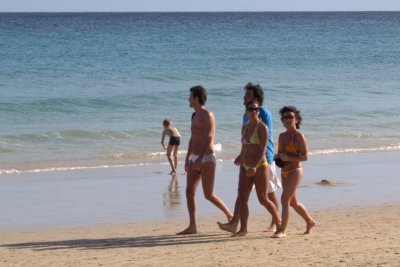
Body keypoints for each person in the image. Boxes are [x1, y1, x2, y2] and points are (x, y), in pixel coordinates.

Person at [218, 82, 281, 234]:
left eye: (248, 95)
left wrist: (260, 161)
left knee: (267, 195)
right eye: (250, 108)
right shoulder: (245, 119)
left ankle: (277, 222)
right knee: (243, 195)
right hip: (247, 162)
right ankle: (238, 226)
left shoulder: (264, 114)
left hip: (264, 160)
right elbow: (246, 141)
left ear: (257, 102)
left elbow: (263, 141)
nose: (244, 97)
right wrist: (242, 154)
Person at [177, 85, 233, 235]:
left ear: (196, 98)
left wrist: (200, 159)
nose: (188, 99)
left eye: (190, 97)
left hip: (207, 157)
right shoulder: (194, 116)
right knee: (189, 191)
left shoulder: (208, 115)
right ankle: (192, 226)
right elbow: (192, 138)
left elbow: (209, 138)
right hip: (195, 157)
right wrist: (188, 157)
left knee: (208, 194)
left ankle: (230, 216)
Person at [273, 106, 316, 238]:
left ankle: (282, 230)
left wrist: (289, 157)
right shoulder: (281, 136)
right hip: (284, 171)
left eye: (290, 117)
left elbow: (305, 157)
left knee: (284, 199)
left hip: (295, 171)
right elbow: (282, 154)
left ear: (296, 119)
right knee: (292, 202)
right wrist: (278, 157)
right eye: (285, 117)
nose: (287, 119)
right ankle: (310, 221)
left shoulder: (299, 136)